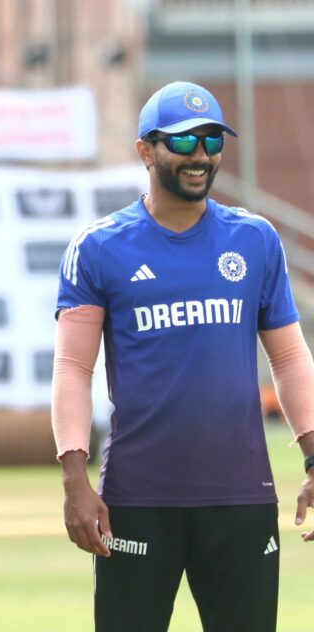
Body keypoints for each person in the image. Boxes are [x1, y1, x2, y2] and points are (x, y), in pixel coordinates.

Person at [52, 81, 314, 631]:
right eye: (184, 141)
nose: (200, 156)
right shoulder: (100, 246)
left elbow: (289, 359)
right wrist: (75, 480)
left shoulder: (255, 239)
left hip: (241, 497)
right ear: (146, 150)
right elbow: (74, 368)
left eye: (212, 141)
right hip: (138, 499)